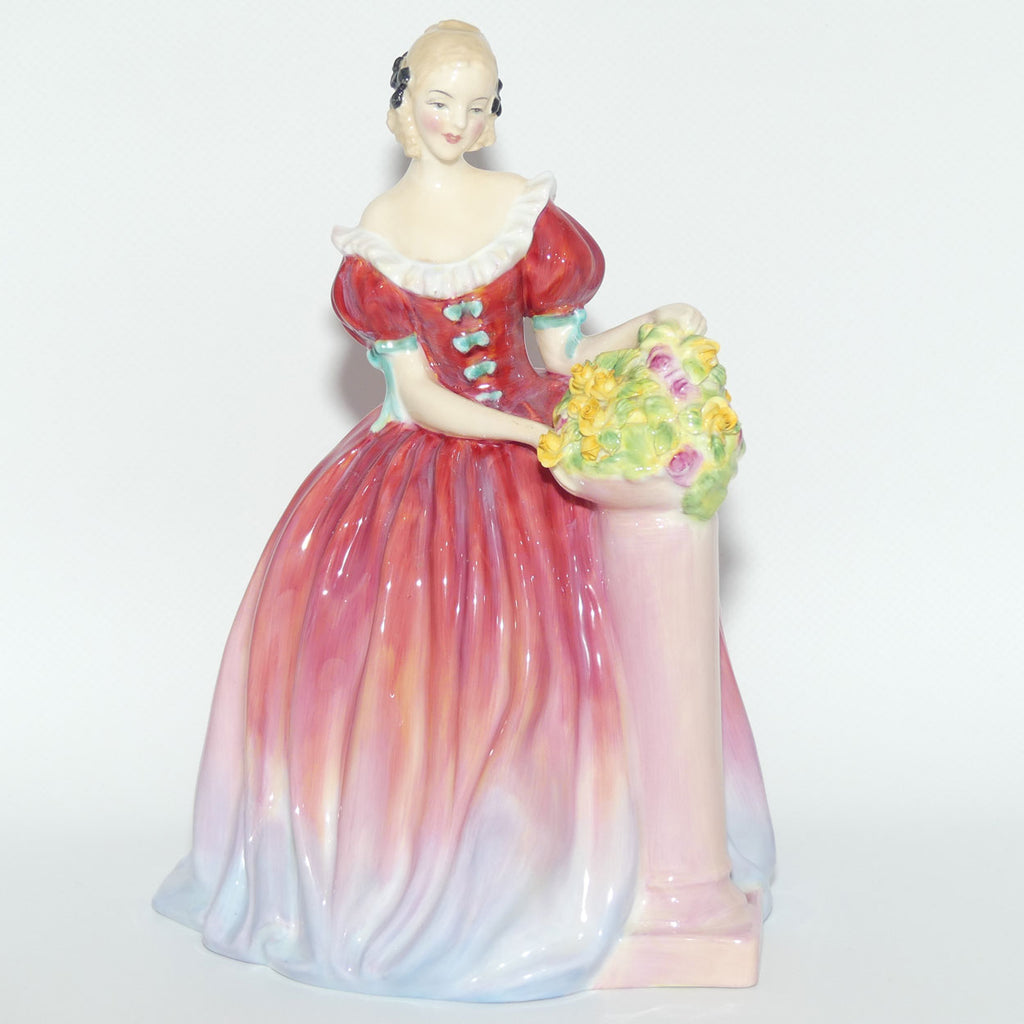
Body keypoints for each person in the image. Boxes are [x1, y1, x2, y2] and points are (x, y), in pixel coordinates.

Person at [154, 20, 773, 1001]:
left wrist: (646, 330)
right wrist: (530, 436)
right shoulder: (380, 236)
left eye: (476, 103)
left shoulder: (524, 215)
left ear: (491, 115)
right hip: (435, 466)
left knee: (589, 652)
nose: (456, 119)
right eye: (441, 100)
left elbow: (563, 356)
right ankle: (457, 864)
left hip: (536, 437)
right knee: (439, 669)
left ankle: (601, 858)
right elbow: (420, 398)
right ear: (405, 104)